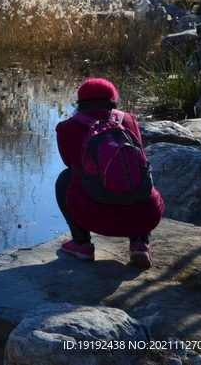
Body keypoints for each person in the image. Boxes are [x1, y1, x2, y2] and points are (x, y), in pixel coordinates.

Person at [55, 78, 164, 268]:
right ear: (113, 100)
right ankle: (140, 244)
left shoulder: (67, 127)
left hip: (93, 217)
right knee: (139, 171)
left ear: (80, 101)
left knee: (66, 178)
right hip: (146, 217)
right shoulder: (129, 120)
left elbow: (69, 163)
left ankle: (82, 244)